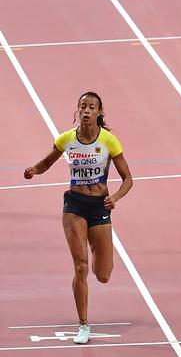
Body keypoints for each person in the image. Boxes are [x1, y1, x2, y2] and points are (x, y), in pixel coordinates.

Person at [24, 92, 133, 344]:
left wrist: (115, 197)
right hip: (74, 205)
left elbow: (128, 179)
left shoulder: (109, 141)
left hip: (99, 206)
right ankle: (83, 325)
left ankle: (98, 261)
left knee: (103, 274)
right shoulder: (66, 139)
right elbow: (45, 163)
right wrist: (33, 170)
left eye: (91, 107)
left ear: (99, 112)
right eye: (82, 106)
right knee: (80, 266)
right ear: (78, 111)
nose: (86, 111)